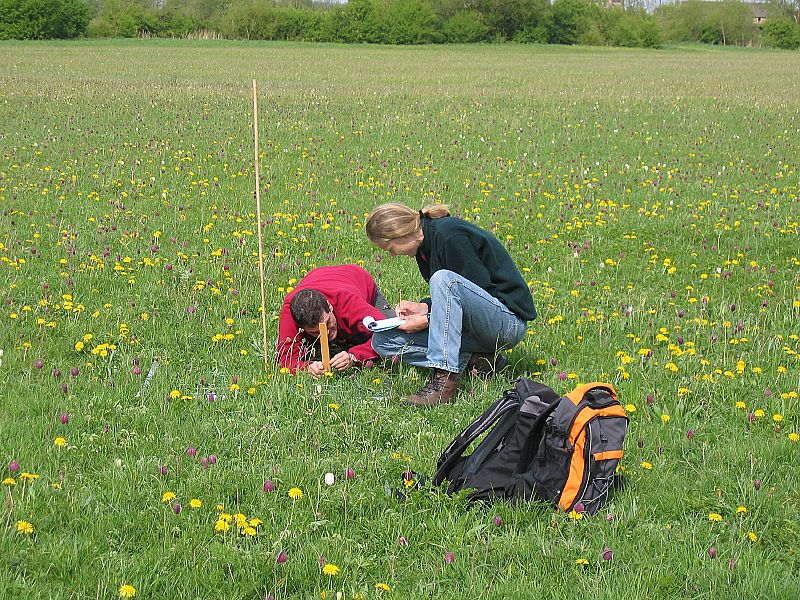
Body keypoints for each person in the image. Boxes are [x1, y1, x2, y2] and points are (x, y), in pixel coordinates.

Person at [365, 203, 537, 407]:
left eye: (390, 249)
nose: (393, 255)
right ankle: (477, 361)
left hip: (506, 323)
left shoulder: (449, 235)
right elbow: (459, 298)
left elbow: (478, 291)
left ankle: (444, 383)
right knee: (382, 340)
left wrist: (427, 320)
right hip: (475, 326)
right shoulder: (423, 249)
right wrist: (425, 307)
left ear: (400, 233)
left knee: (443, 279)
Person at [276, 265, 394, 376]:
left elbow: (388, 335)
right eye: (315, 332)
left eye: (327, 323)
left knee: (398, 337)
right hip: (319, 276)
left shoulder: (349, 302)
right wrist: (307, 367)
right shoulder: (291, 309)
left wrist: (355, 356)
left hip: (356, 279)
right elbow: (286, 358)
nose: (326, 333)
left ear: (329, 306)